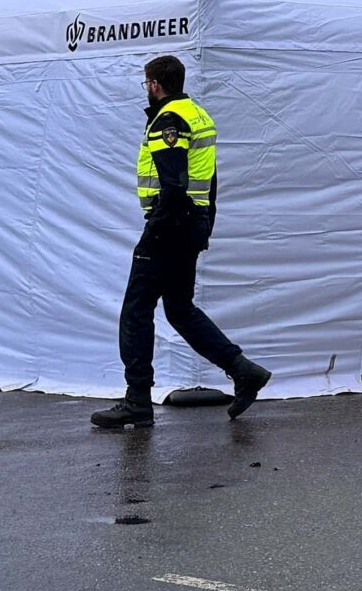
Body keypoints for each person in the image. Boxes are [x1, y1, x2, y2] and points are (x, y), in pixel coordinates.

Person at [91, 54, 272, 430]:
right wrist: (204, 224)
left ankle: (137, 401)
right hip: (191, 223)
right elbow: (210, 180)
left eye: (147, 84)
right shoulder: (199, 115)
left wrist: (157, 228)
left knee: (136, 310)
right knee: (179, 308)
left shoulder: (168, 120)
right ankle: (243, 370)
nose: (148, 90)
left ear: (155, 84)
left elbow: (173, 183)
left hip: (169, 224)